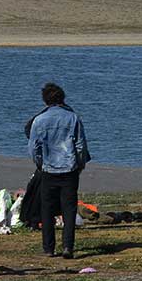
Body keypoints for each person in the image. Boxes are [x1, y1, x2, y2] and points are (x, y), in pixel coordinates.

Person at [27, 82, 91, 259]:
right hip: (69, 169)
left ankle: (48, 248)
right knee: (69, 209)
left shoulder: (39, 120)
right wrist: (80, 165)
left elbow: (33, 148)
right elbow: (80, 145)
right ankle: (67, 247)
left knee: (46, 209)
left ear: (45, 100)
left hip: (48, 169)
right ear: (62, 98)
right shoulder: (72, 118)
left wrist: (40, 164)